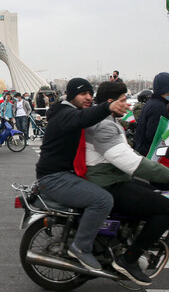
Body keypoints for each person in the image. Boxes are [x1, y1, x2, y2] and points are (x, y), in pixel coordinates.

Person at [85, 81, 169, 285]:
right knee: (167, 208)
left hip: (116, 178)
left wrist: (163, 169)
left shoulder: (109, 121)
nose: (128, 104)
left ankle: (126, 241)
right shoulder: (103, 125)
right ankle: (128, 259)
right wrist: (167, 175)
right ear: (111, 102)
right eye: (123, 100)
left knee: (154, 196)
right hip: (108, 184)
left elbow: (130, 153)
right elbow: (127, 160)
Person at [36, 78, 129, 270]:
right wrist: (108, 106)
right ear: (71, 96)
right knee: (103, 200)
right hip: (55, 177)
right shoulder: (66, 113)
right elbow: (83, 118)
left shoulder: (69, 112)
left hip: (65, 173)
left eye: (90, 94)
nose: (88, 97)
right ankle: (80, 247)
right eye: (82, 94)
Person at [135, 72, 169, 156]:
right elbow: (154, 135)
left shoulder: (152, 103)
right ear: (166, 90)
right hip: (151, 154)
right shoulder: (158, 107)